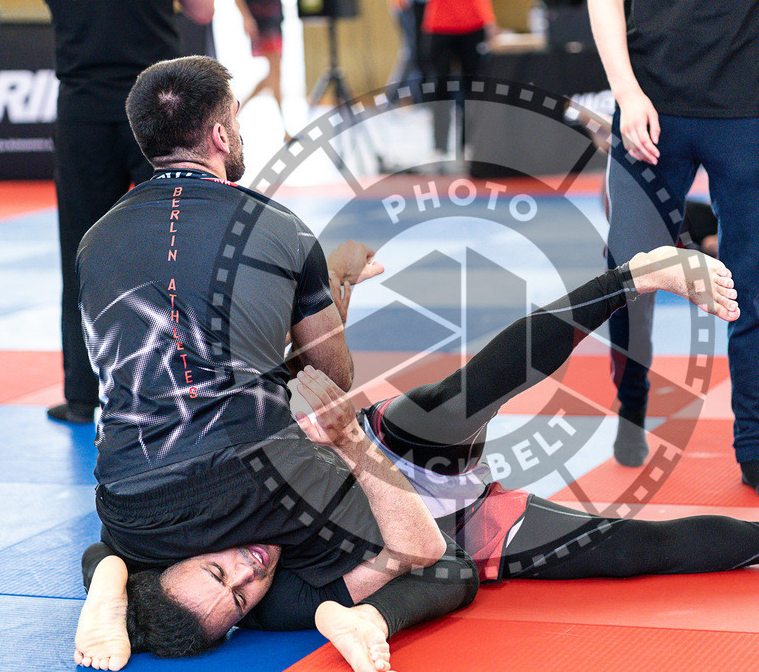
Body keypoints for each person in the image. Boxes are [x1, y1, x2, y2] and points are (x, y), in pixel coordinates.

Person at [75, 244, 759, 671]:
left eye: (218, 568)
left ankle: (638, 271)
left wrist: (106, 600)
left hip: (379, 449)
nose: (245, 567)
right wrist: (350, 614)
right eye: (237, 593)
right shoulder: (290, 604)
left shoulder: (175, 535)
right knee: (638, 552)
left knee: (463, 395)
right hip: (458, 528)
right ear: (241, 621)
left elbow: (105, 550)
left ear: (177, 560)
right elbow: (431, 566)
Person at [73, 54, 483, 671]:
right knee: (446, 559)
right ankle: (356, 614)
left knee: (141, 532)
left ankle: (110, 580)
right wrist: (334, 288)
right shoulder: (278, 226)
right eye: (235, 121)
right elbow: (327, 383)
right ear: (220, 135)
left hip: (130, 503)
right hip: (256, 482)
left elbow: (158, 373)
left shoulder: (94, 240)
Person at [586, 0, 759, 499]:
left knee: (752, 288)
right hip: (652, 108)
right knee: (628, 277)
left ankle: (754, 447)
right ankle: (631, 401)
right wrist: (626, 93)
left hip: (752, 112)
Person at [38, 0, 216, 425]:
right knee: (181, 244)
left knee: (81, 249)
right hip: (158, 103)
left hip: (83, 104)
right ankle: (199, 385)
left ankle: (82, 395)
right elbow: (203, 8)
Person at [422, 0, 495, 162]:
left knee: (473, 88)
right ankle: (439, 146)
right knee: (440, 87)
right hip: (440, 23)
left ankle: (470, 143)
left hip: (473, 22)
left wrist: (489, 20)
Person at [230, 0, 295, 143]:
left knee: (275, 72)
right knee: (275, 71)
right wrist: (245, 17)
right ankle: (284, 126)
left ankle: (236, 112)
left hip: (273, 11)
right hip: (259, 14)